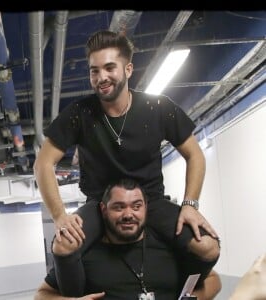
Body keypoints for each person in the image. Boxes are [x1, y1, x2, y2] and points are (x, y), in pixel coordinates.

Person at [33, 30, 220, 295]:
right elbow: (42, 164)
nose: (101, 78)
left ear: (128, 69)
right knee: (63, 245)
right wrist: (59, 215)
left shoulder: (158, 107)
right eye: (94, 71)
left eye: (109, 68)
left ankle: (186, 292)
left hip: (150, 202)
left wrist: (190, 205)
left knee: (208, 247)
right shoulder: (79, 113)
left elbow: (195, 154)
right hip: (100, 205)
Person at [34, 178, 221, 300]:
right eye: (118, 207)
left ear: (146, 208)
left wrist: (194, 298)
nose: (128, 214)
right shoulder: (87, 253)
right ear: (103, 210)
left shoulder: (168, 245)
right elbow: (42, 294)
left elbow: (213, 280)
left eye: (136, 206)